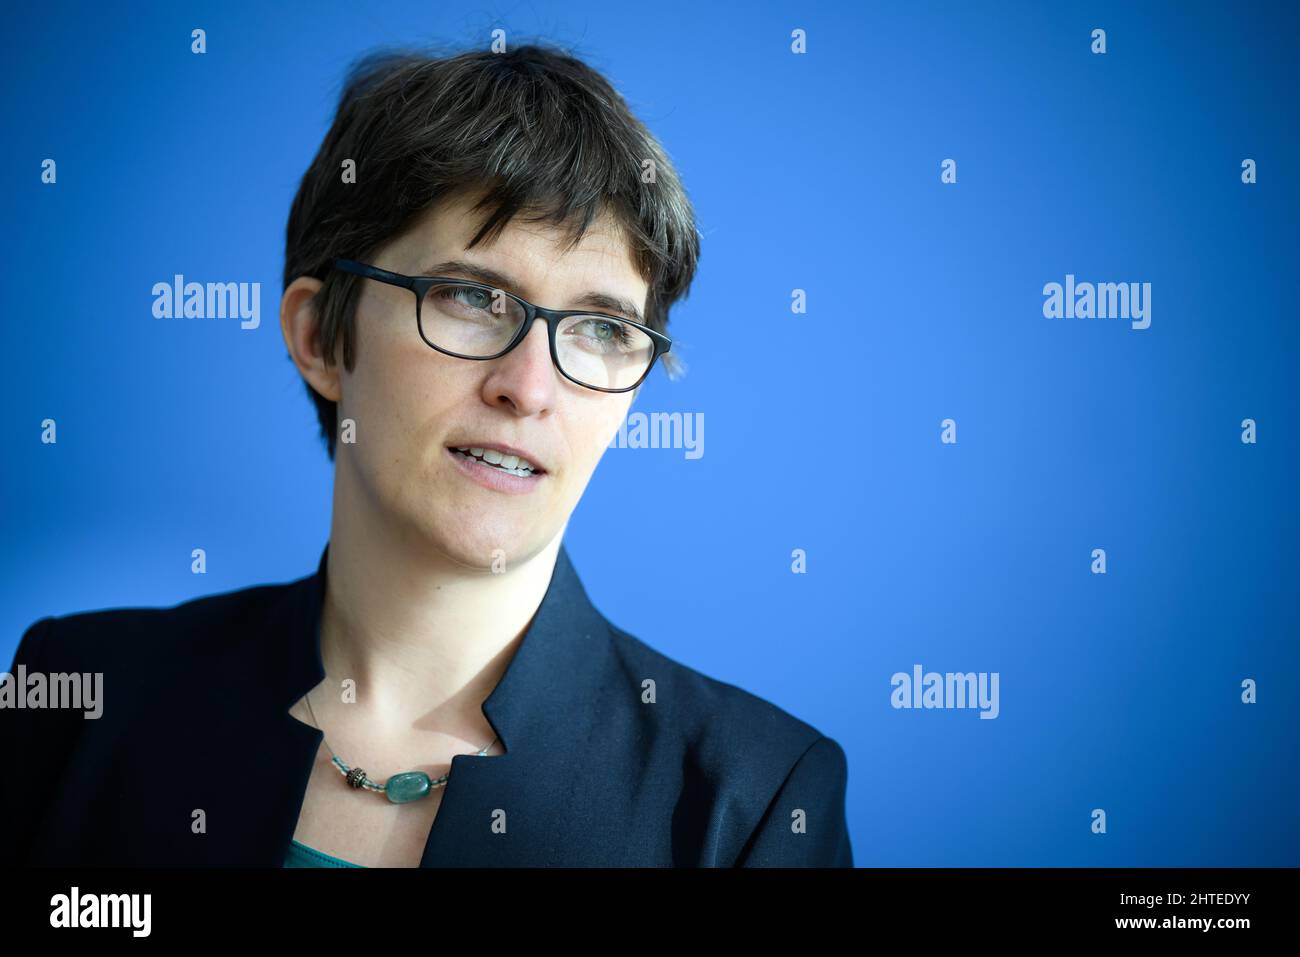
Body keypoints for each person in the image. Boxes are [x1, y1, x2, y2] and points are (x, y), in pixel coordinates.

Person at [1, 42, 852, 867]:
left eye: (600, 328)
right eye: (473, 297)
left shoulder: (753, 802)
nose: (530, 386)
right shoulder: (76, 692)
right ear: (319, 337)